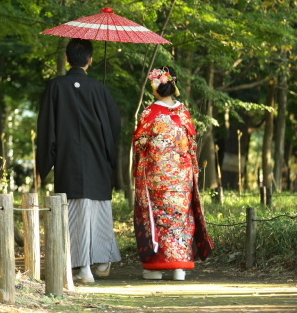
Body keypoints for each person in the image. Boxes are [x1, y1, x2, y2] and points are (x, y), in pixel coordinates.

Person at [37, 38, 123, 284]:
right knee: (98, 212)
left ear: (67, 59)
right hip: (97, 160)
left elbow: (46, 128)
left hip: (68, 160)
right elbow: (114, 125)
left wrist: (46, 163)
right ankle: (102, 260)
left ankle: (83, 267)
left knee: (74, 213)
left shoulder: (55, 87)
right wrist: (107, 152)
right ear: (90, 60)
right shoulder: (100, 89)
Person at [133, 67, 213, 281]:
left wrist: (140, 167)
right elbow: (193, 144)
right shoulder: (184, 112)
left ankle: (156, 268)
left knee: (157, 219)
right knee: (180, 218)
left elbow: (140, 143)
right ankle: (179, 268)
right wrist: (191, 169)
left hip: (157, 175)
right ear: (172, 86)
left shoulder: (150, 113)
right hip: (181, 176)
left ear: (156, 88)